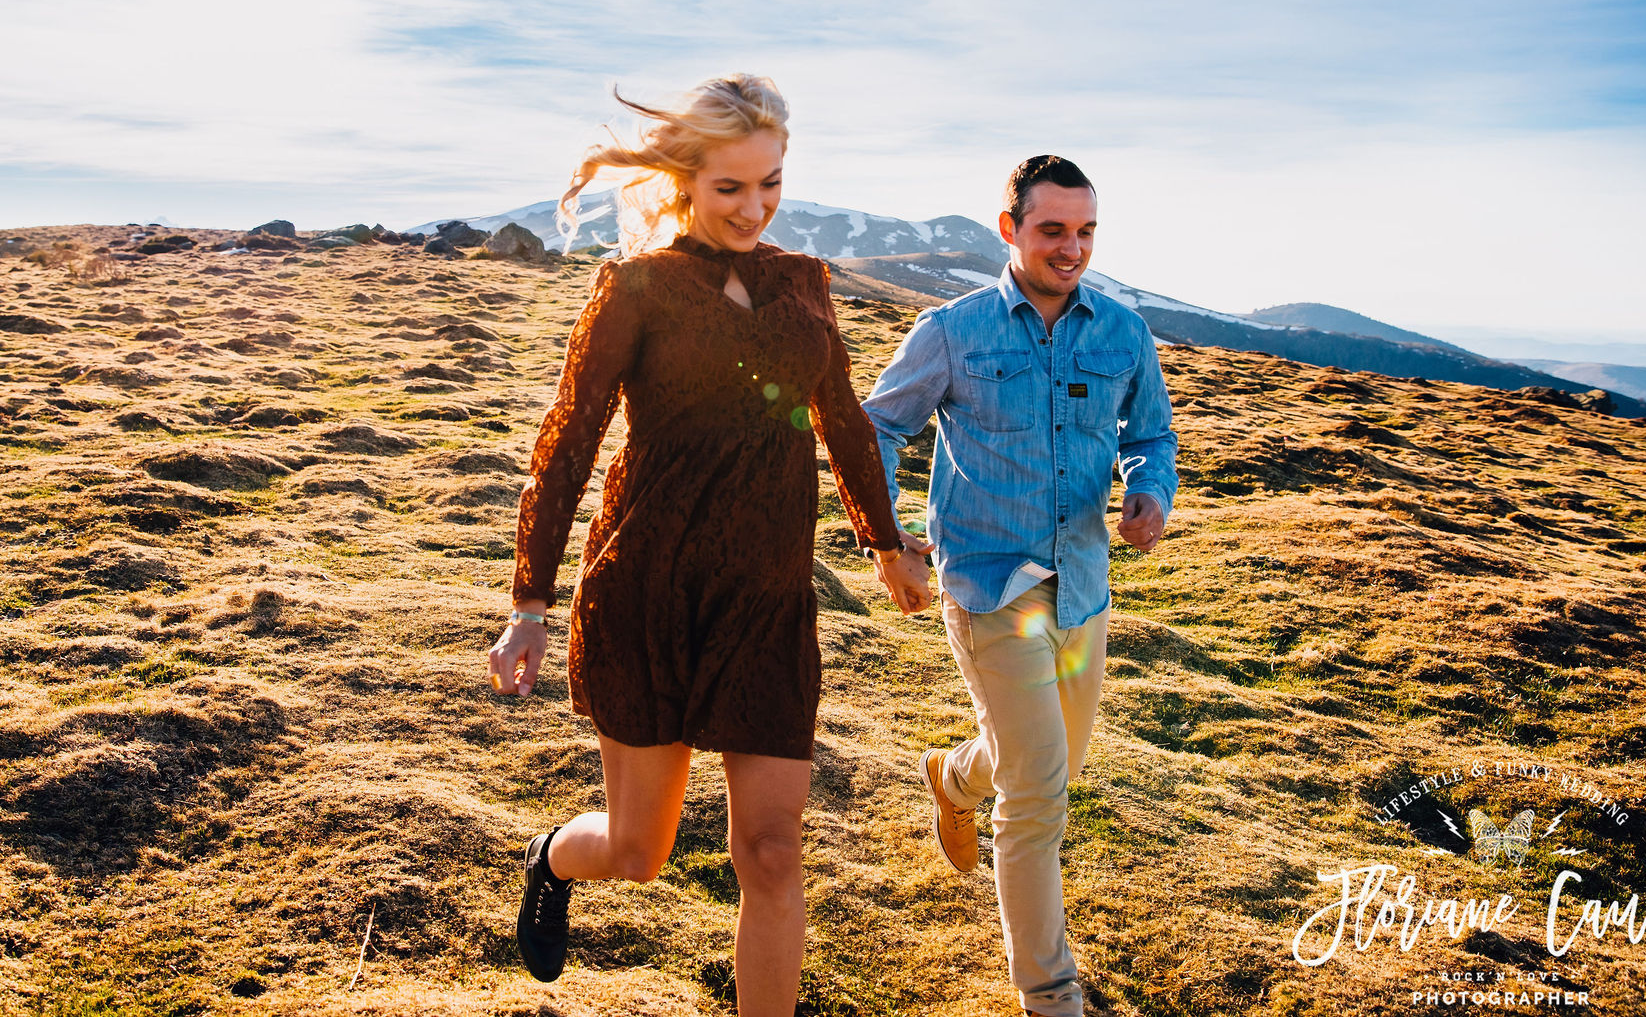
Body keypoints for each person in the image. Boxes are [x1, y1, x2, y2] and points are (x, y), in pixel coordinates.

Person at [486, 73, 928, 1016]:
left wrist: (886, 545)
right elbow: (568, 438)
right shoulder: (637, 286)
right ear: (684, 180)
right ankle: (554, 854)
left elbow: (842, 418)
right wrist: (528, 603)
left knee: (770, 853)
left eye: (770, 182)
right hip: (648, 587)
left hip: (766, 600)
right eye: (731, 187)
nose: (755, 205)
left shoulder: (803, 283)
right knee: (639, 852)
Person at [861, 154, 1178, 1017]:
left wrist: (1150, 492)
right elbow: (875, 429)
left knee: (1053, 762)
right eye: (1052, 231)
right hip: (989, 585)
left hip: (1082, 584)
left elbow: (1152, 433)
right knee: (1039, 791)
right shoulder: (952, 331)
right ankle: (1051, 994)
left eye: (1085, 232)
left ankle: (956, 778)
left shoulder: (1122, 332)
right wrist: (887, 540)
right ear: (1010, 229)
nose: (1071, 249)